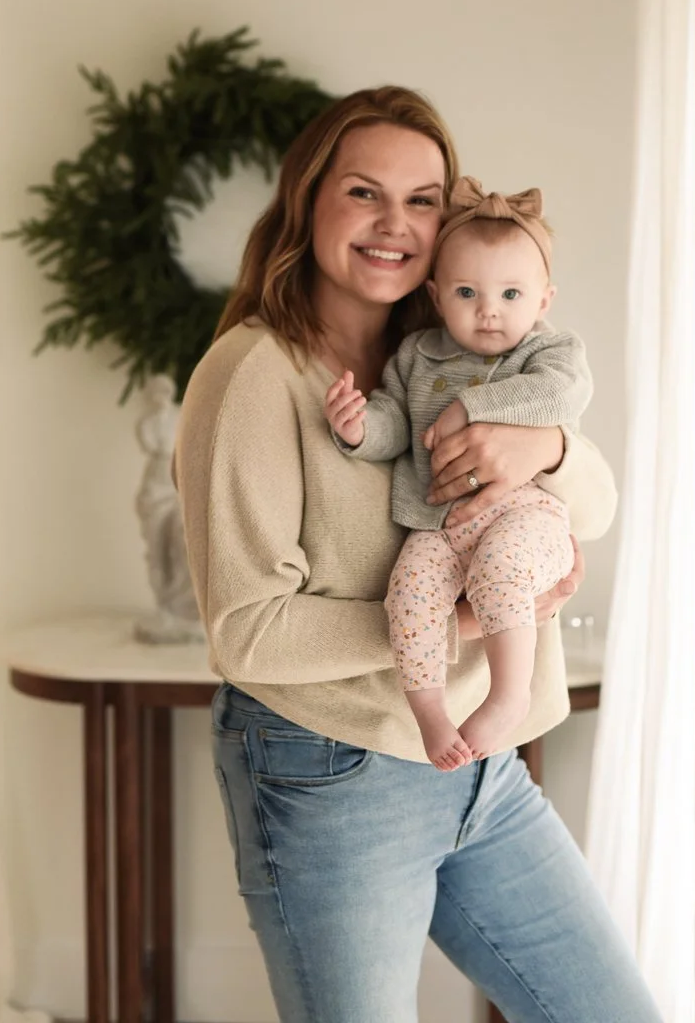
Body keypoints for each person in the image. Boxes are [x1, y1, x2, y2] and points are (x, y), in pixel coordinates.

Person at [175, 87, 662, 1022]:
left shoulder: (456, 350)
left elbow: (595, 507)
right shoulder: (255, 377)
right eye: (363, 193)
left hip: (480, 763)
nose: (395, 224)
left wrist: (546, 447)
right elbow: (247, 632)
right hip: (333, 771)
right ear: (307, 202)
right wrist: (455, 622)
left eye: (423, 198)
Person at [324, 175, 591, 769]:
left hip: (526, 516)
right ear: (437, 294)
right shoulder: (417, 355)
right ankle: (430, 715)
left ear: (544, 299)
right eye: (467, 292)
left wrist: (471, 405)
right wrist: (361, 429)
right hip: (438, 526)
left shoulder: (547, 352)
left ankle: (507, 694)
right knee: (409, 596)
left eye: (511, 295)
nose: (490, 311)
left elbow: (562, 396)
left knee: (502, 569)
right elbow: (397, 423)